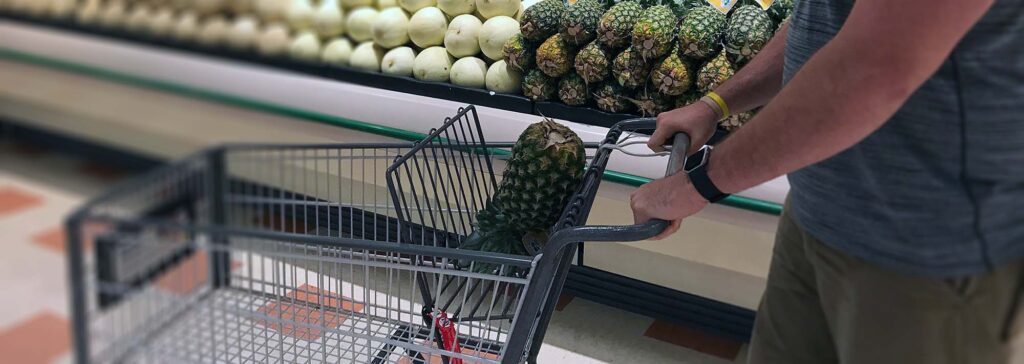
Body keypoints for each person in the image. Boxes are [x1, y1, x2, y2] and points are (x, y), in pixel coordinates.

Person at [629, 0, 1024, 362]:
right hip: (816, 217)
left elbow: (875, 67)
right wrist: (715, 104)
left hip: (927, 256)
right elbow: (824, 18)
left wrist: (697, 186)